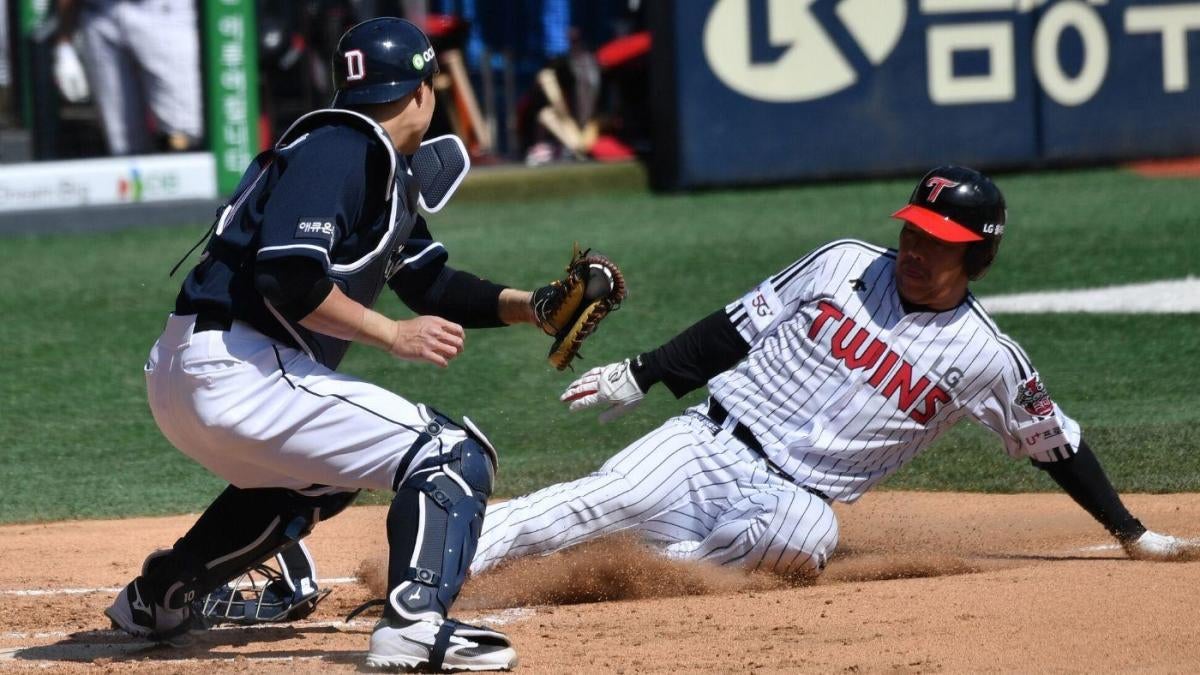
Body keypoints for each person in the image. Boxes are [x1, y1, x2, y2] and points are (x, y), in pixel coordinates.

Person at [101, 17, 583, 671]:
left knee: (322, 480)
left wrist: (533, 308)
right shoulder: (342, 147)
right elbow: (288, 272)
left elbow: (431, 282)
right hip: (240, 367)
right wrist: (390, 334)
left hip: (200, 371)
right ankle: (415, 624)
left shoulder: (373, 162)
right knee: (451, 453)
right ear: (423, 91)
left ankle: (163, 594)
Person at [470, 165, 1197, 578]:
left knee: (805, 538)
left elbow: (1054, 443)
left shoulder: (986, 357)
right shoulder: (844, 263)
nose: (913, 246)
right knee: (586, 500)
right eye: (911, 229)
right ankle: (437, 562)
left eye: (935, 240)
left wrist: (1131, 532)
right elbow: (736, 324)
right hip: (706, 441)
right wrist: (643, 370)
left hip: (798, 494)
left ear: (977, 255)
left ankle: (643, 561)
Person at [53, 0, 203, 154]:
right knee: (123, 142)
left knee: (184, 131)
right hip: (100, 14)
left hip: (162, 11)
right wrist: (64, 44)